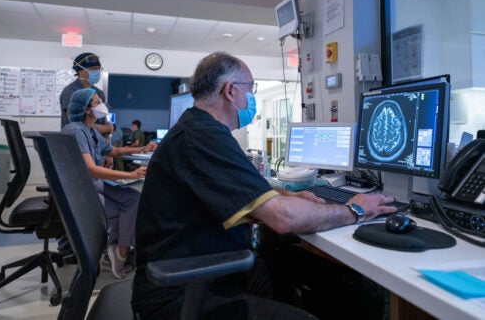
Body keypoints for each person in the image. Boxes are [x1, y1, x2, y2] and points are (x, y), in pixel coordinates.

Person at [132, 52, 397, 319]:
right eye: (251, 89)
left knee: (329, 279)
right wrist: (355, 210)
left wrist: (288, 195)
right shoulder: (201, 137)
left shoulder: (199, 129)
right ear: (231, 91)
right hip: (181, 292)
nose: (252, 98)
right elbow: (282, 219)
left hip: (208, 272)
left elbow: (244, 187)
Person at [62, 87, 157, 279]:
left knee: (133, 198)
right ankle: (117, 254)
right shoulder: (75, 130)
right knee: (118, 209)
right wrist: (130, 175)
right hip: (83, 189)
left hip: (94, 184)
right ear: (87, 109)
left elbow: (113, 151)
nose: (102, 105)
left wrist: (142, 148)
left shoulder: (89, 131)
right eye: (97, 102)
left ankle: (118, 251)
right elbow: (90, 168)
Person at [59, 52, 113, 139]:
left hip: (97, 144)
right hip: (75, 141)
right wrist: (107, 128)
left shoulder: (99, 93)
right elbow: (78, 126)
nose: (97, 72)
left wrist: (109, 149)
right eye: (92, 68)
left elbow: (104, 122)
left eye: (98, 69)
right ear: (80, 71)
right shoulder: (70, 92)